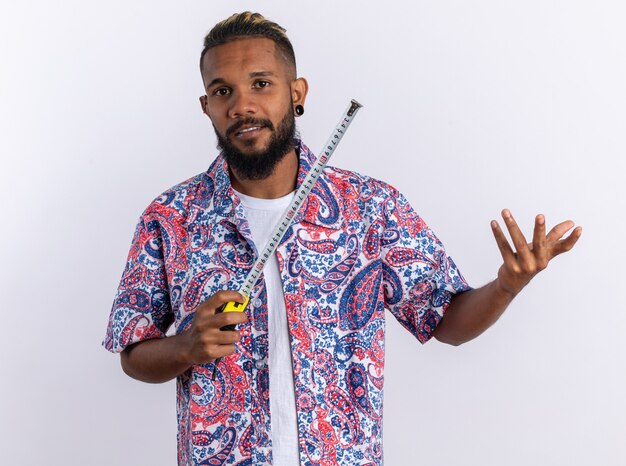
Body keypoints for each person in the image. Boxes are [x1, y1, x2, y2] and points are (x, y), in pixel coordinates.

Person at [103, 11, 581, 466]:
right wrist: (186, 346)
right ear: (207, 107)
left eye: (261, 84)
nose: (242, 105)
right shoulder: (169, 218)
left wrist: (506, 286)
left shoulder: (372, 208)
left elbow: (447, 322)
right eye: (222, 91)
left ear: (297, 93)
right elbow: (133, 351)